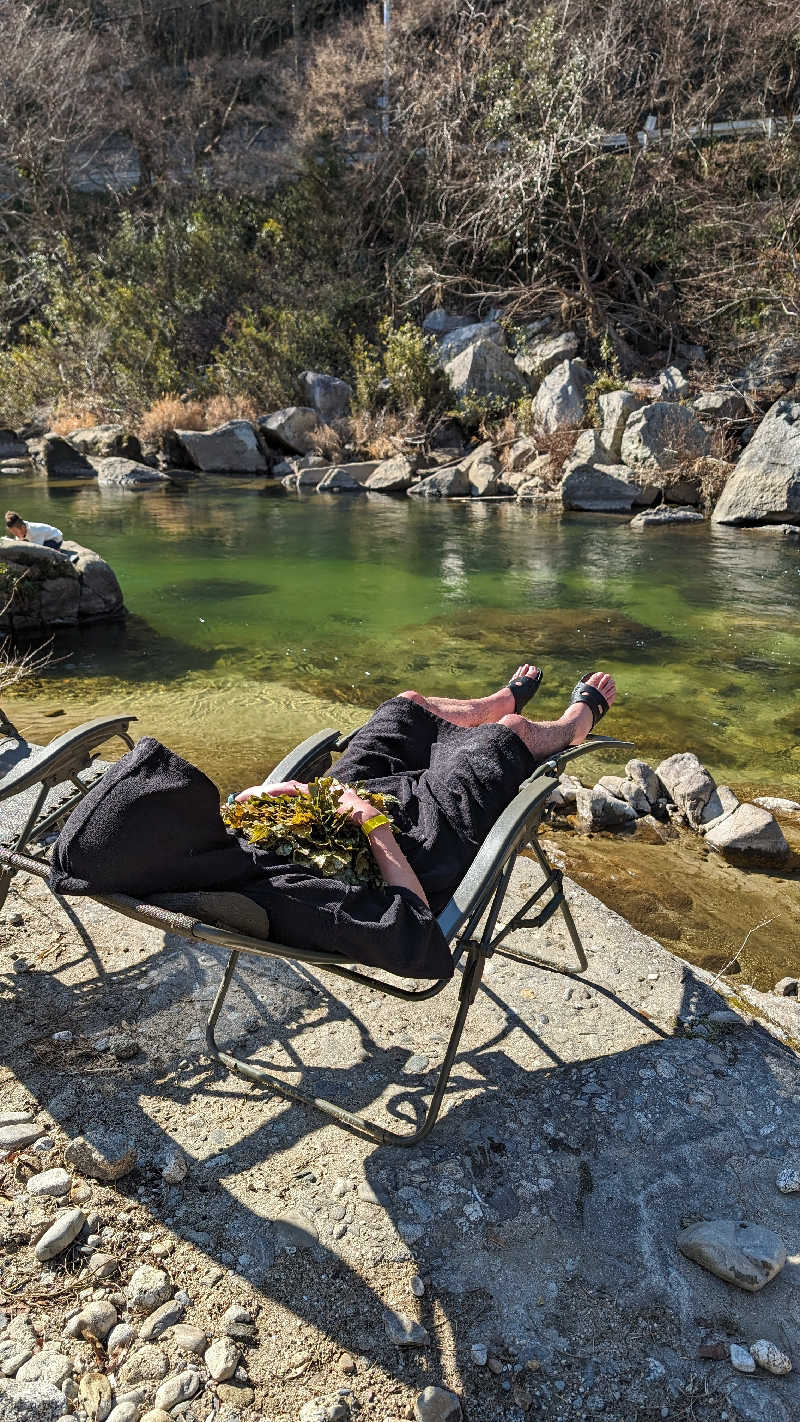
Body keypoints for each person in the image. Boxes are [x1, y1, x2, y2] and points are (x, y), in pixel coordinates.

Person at [50, 666, 616, 981]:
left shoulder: (192, 858)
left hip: (333, 807)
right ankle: (570, 726)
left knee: (405, 705)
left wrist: (259, 798)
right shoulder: (288, 897)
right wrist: (376, 828)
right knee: (508, 737)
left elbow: (231, 829)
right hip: (419, 844)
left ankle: (495, 699)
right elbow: (419, 940)